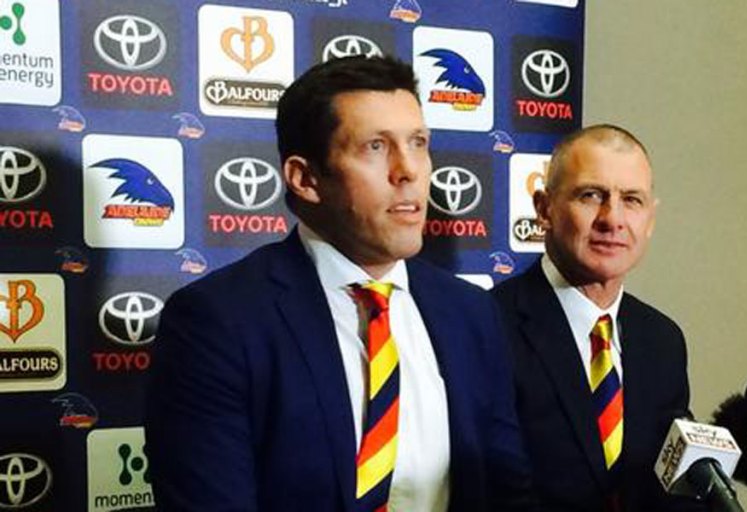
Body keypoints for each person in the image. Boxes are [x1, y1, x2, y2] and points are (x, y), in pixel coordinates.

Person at [145, 55, 533, 512]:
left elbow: (509, 491)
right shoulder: (218, 322)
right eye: (375, 146)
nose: (408, 170)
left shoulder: (470, 312)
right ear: (306, 179)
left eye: (419, 143)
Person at [492, 125, 695, 511]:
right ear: (544, 209)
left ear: (650, 219)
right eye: (591, 195)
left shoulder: (663, 341)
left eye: (631, 200)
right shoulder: (489, 326)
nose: (612, 219)